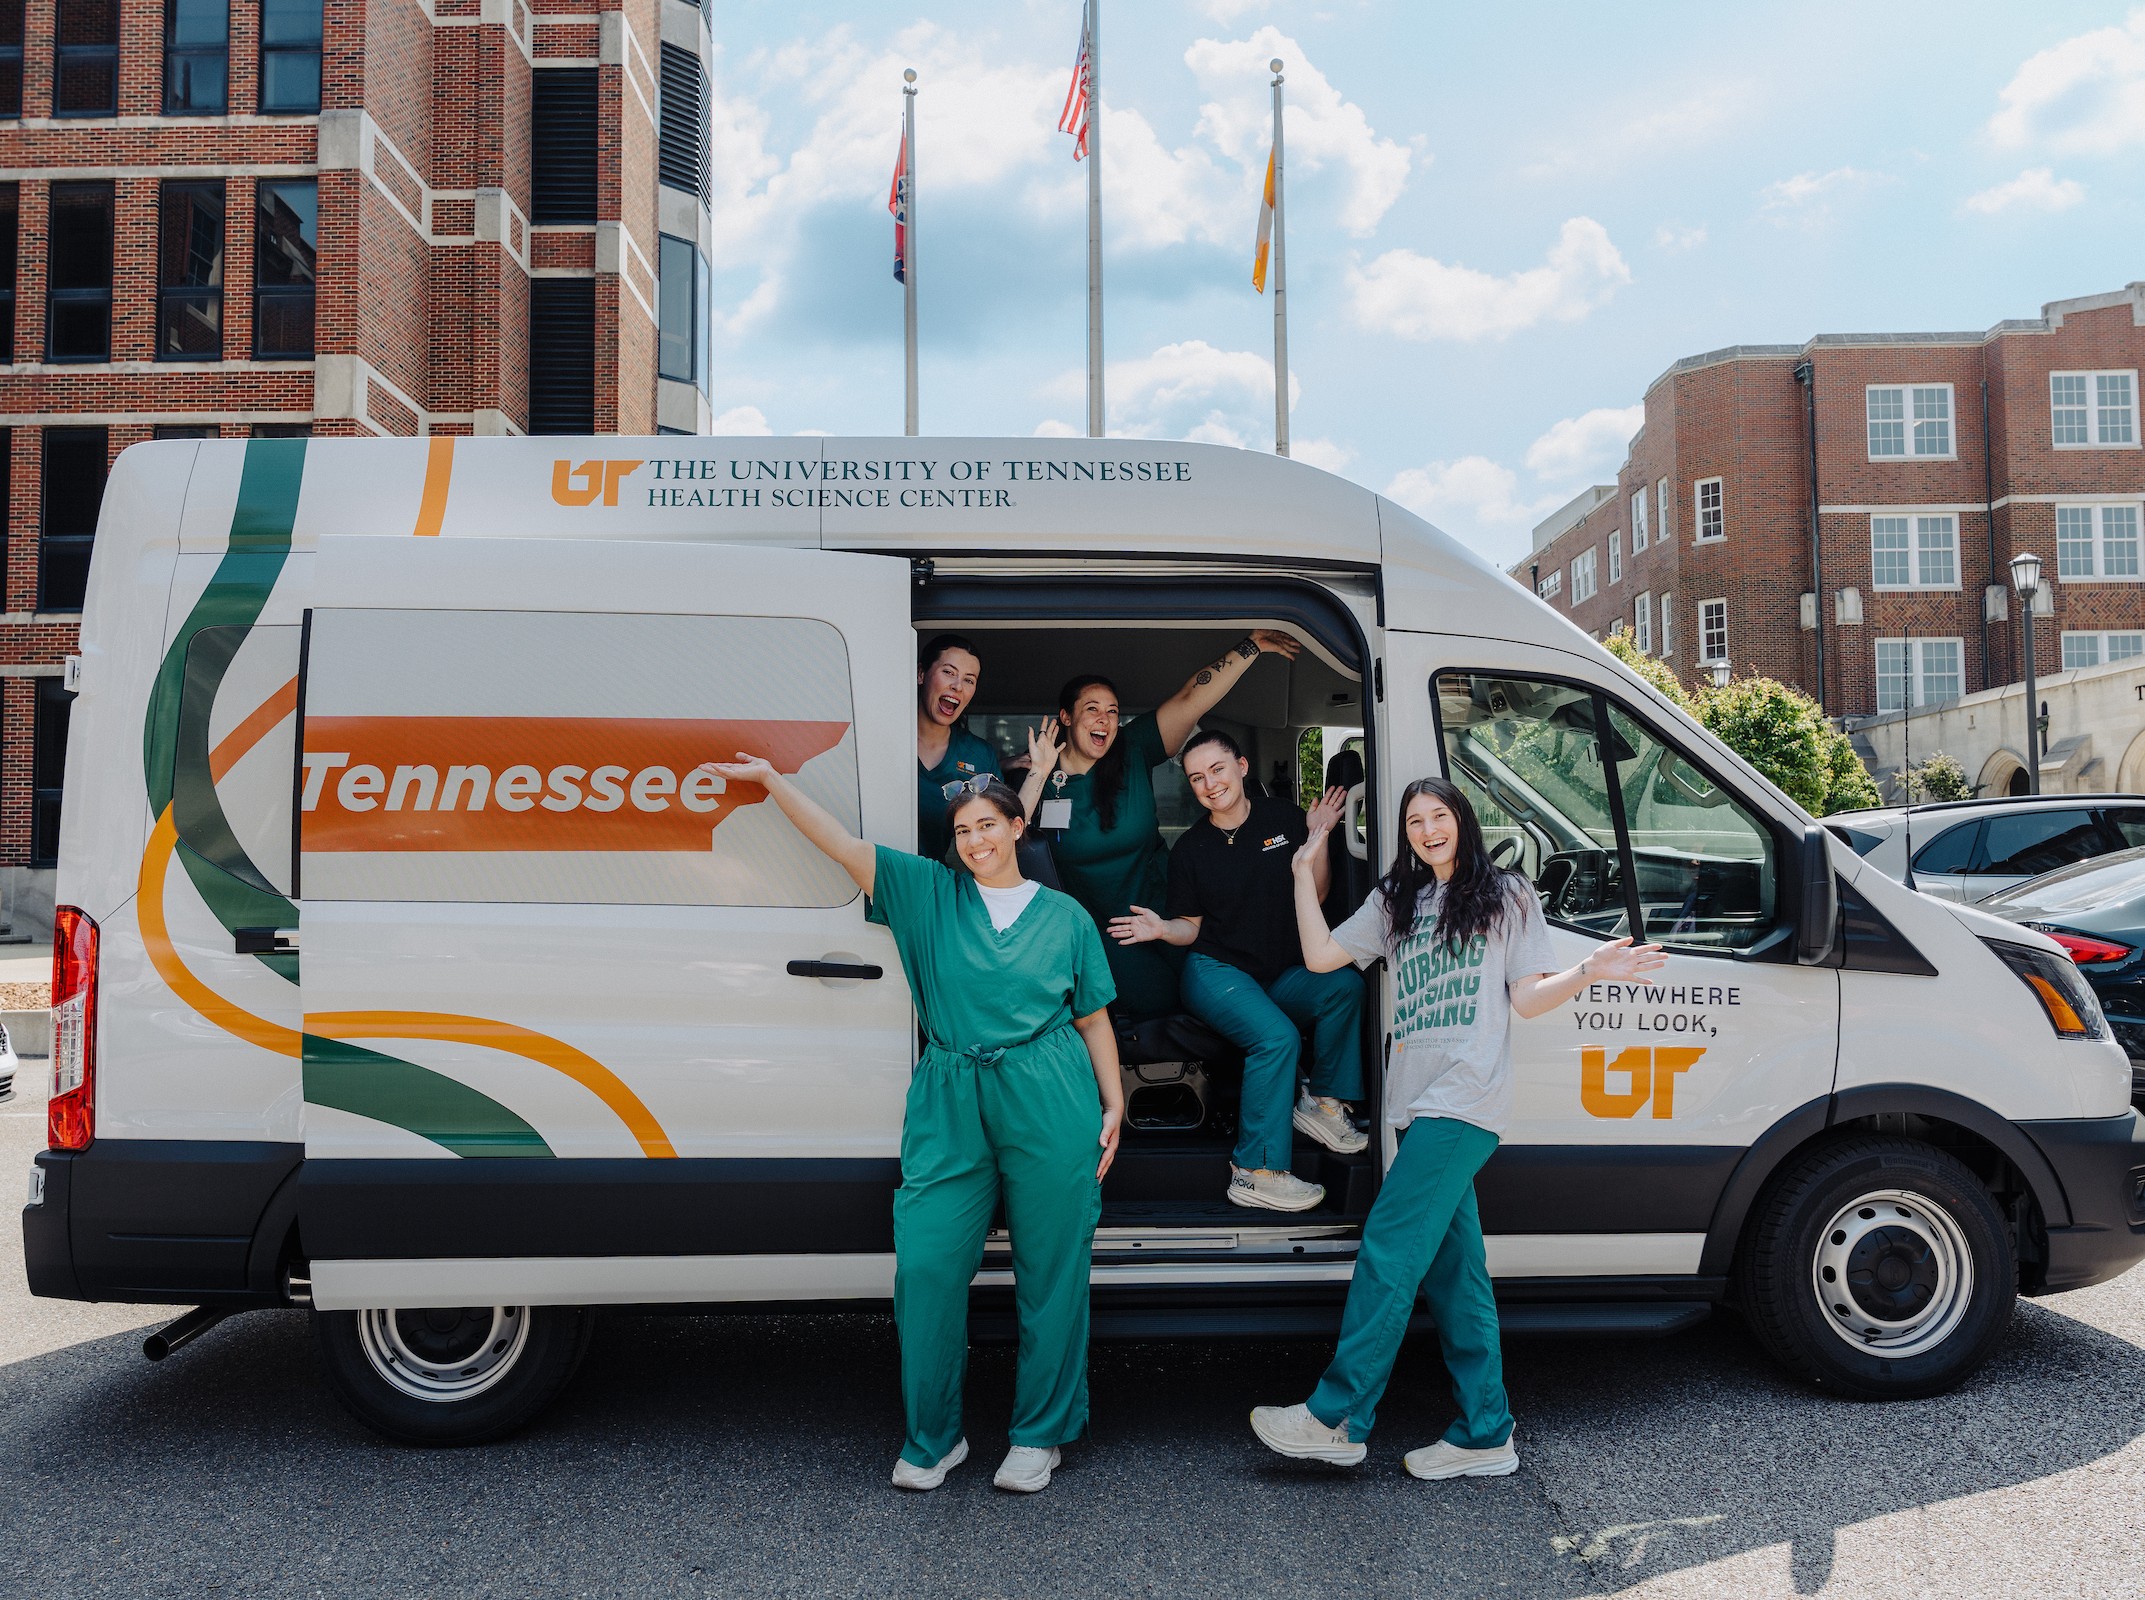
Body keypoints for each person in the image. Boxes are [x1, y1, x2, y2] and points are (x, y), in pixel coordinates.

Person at [698, 758, 1123, 1496]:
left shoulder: (1066, 916)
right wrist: (771, 779)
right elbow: (836, 841)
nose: (974, 840)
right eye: (962, 830)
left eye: (987, 824)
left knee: (1051, 1271)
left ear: (1017, 827)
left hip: (1050, 1093)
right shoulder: (927, 893)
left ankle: (1038, 1435)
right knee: (925, 1267)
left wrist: (1114, 1104)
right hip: (950, 1091)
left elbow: (1092, 1017)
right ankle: (934, 1436)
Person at [1249, 776, 1665, 1480]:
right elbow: (1321, 958)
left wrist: (1590, 969)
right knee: (1455, 1278)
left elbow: (1527, 999)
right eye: (1414, 820)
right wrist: (1299, 870)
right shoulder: (1396, 899)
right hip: (1413, 1106)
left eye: (1438, 815)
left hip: (1464, 1098)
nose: (1427, 828)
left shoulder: (1504, 892)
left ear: (1461, 820)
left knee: (1387, 1245)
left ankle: (1336, 1417)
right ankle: (1484, 1431)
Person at [1108, 729, 1366, 1214]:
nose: (1209, 783)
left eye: (1217, 769)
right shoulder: (1191, 849)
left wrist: (1319, 836)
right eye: (1197, 777)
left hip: (1277, 972)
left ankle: (1323, 1104)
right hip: (1215, 971)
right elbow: (1191, 928)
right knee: (1277, 1038)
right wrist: (1163, 928)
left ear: (1242, 767)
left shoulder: (1286, 820)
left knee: (1343, 986)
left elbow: (1320, 894)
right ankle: (1256, 1172)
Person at [1028, 630, 1303, 1019]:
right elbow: (1010, 834)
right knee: (1156, 1001)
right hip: (1106, 929)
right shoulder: (1040, 776)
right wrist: (1033, 774)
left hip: (1172, 911)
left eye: (1112, 710)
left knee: (1217, 988)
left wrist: (1252, 646)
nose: (1105, 719)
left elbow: (1192, 697)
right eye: (1092, 709)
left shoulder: (1131, 748)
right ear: (1066, 717)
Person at [914, 632, 1057, 864]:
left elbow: (1005, 831)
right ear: (922, 674)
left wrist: (1038, 771)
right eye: (948, 672)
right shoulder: (885, 737)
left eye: (969, 680)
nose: (957, 686)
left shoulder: (979, 755)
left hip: (934, 887)